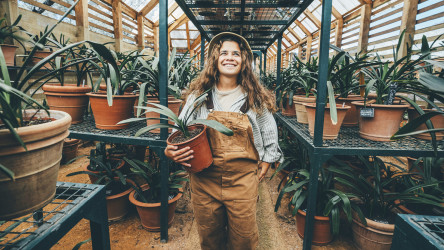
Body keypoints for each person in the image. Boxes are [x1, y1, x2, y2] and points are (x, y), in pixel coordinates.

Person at [164, 32, 282, 250]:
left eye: (236, 53)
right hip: (204, 179)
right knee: (210, 236)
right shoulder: (199, 96)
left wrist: (268, 159)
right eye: (224, 53)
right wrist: (170, 150)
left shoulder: (254, 96)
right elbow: (178, 129)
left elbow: (268, 129)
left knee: (244, 238)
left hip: (242, 181)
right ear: (215, 60)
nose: (230, 57)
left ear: (244, 60)